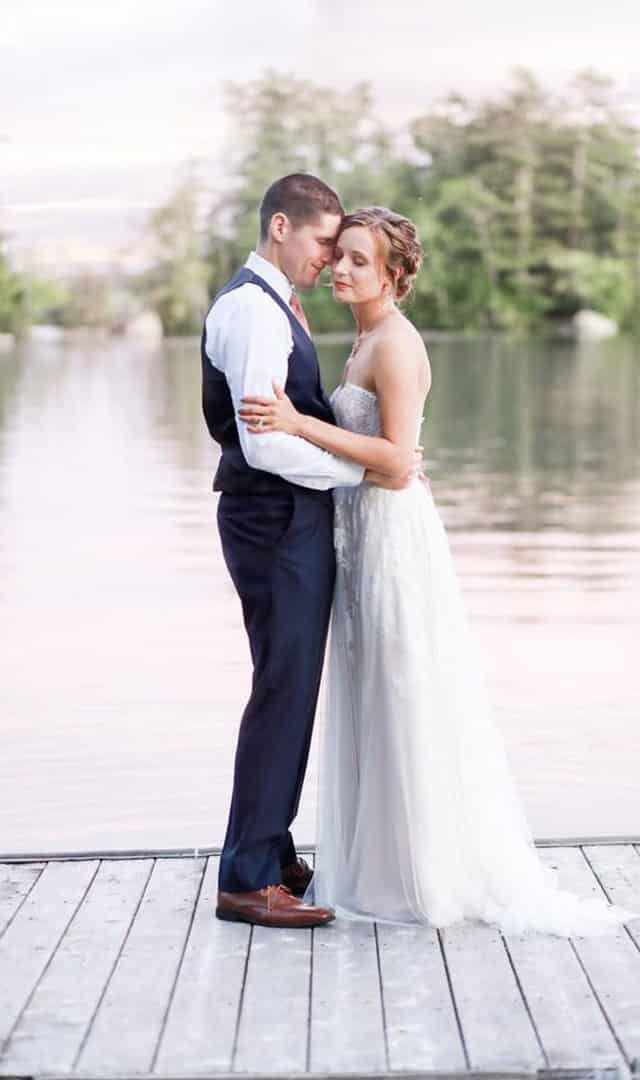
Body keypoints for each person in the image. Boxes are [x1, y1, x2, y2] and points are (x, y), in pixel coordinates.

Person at [238, 206, 640, 936]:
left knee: (404, 685)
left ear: (395, 274)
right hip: (356, 535)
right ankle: (373, 862)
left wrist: (299, 425)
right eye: (341, 256)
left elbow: (394, 464)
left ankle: (423, 873)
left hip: (393, 538)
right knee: (370, 691)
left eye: (361, 259)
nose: (344, 268)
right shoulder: (362, 337)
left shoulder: (394, 344)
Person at [201, 177, 420, 929]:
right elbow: (265, 444)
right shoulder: (251, 310)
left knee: (286, 684)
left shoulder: (275, 305)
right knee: (284, 690)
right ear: (283, 227)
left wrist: (351, 463)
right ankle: (249, 878)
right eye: (326, 244)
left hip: (287, 521)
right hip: (273, 519)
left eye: (347, 251)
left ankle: (273, 852)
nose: (330, 262)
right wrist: (364, 471)